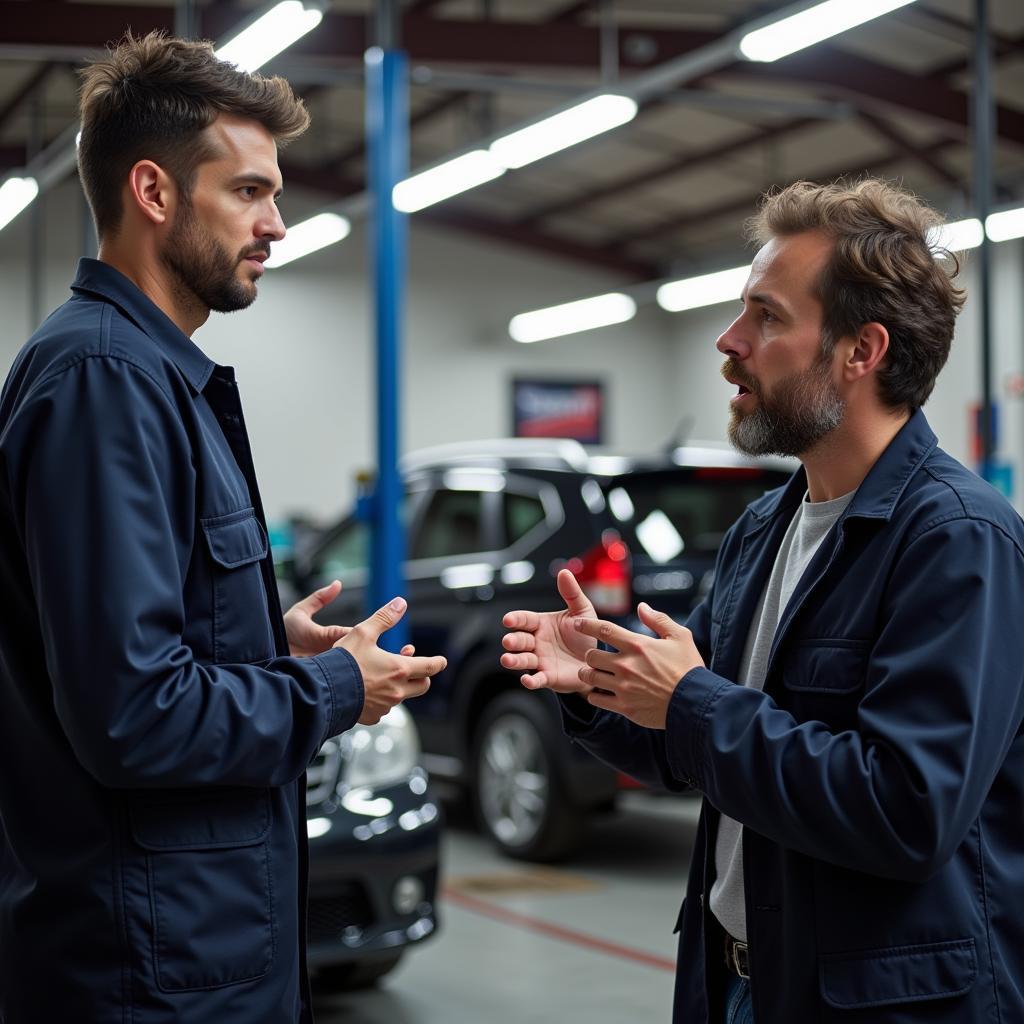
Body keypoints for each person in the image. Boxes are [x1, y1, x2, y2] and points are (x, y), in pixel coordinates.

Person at [0, 32, 445, 1024]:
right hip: (147, 972)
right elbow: (132, 715)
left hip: (188, 948)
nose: (276, 224)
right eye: (247, 191)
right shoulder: (105, 382)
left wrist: (255, 642)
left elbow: (127, 648)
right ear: (154, 192)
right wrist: (333, 686)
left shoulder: (152, 376)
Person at [501, 179, 1024, 1023]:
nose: (729, 340)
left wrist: (692, 700)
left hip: (879, 1005)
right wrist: (599, 686)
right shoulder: (763, 530)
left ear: (862, 351)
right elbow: (690, 748)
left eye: (767, 316)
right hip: (739, 977)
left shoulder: (958, 541)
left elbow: (908, 811)